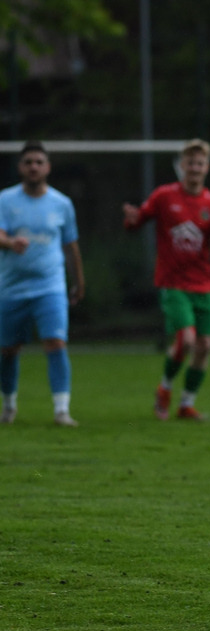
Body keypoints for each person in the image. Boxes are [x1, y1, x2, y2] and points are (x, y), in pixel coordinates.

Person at [123, 138, 210, 421]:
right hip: (172, 282)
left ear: (207, 168)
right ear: (181, 166)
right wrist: (130, 219)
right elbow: (136, 222)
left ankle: (186, 404)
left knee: (205, 346)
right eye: (190, 162)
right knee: (186, 340)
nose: (194, 168)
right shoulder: (164, 196)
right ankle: (164, 389)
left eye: (200, 163)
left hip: (202, 284)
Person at [0, 141, 85, 427]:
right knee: (8, 350)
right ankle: (9, 405)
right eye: (28, 162)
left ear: (47, 167)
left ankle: (62, 410)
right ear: (20, 167)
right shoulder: (5, 200)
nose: (34, 166)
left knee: (55, 342)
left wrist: (78, 281)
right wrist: (10, 242)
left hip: (50, 287)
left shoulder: (61, 204)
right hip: (11, 288)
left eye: (39, 161)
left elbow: (71, 246)